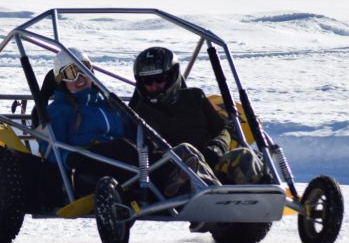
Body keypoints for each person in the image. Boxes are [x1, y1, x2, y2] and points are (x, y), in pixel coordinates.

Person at [130, 46, 265, 190]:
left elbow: (222, 130)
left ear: (172, 76)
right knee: (186, 151)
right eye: (147, 81)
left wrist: (217, 147)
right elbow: (150, 151)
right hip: (175, 170)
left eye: (159, 79)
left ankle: (265, 198)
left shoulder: (195, 97)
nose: (154, 86)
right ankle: (213, 196)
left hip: (210, 159)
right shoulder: (139, 113)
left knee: (246, 155)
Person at [40, 47, 140, 192]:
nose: (79, 78)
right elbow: (48, 150)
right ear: (62, 80)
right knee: (122, 148)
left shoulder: (108, 104)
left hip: (122, 163)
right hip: (85, 169)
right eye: (71, 73)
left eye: (83, 69)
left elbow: (132, 131)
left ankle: (174, 178)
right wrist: (72, 158)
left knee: (147, 148)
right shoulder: (59, 110)